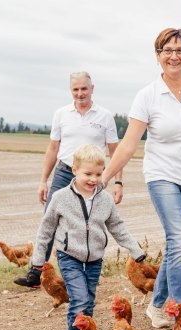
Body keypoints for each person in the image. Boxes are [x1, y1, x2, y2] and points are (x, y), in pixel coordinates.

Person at [100, 28, 181, 328]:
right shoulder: (148, 96)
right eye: (167, 50)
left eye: (179, 50)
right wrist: (105, 176)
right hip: (161, 177)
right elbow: (129, 143)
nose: (174, 56)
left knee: (177, 245)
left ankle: (156, 305)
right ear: (158, 56)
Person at [29, 144, 145, 330]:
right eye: (88, 173)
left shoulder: (105, 200)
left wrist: (135, 249)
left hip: (94, 259)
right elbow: (46, 229)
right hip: (69, 256)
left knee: (88, 300)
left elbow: (117, 227)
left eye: (98, 174)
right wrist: (38, 258)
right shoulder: (61, 198)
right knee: (80, 298)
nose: (93, 179)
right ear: (74, 170)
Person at [15, 71, 124, 288]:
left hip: (92, 177)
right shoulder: (61, 114)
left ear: (92, 89)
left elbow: (115, 151)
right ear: (70, 91)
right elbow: (53, 148)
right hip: (64, 172)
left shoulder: (104, 116)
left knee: (89, 223)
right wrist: (43, 180)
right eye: (76, 89)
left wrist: (118, 182)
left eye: (84, 88)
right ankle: (37, 273)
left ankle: (88, 271)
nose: (80, 93)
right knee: (49, 220)